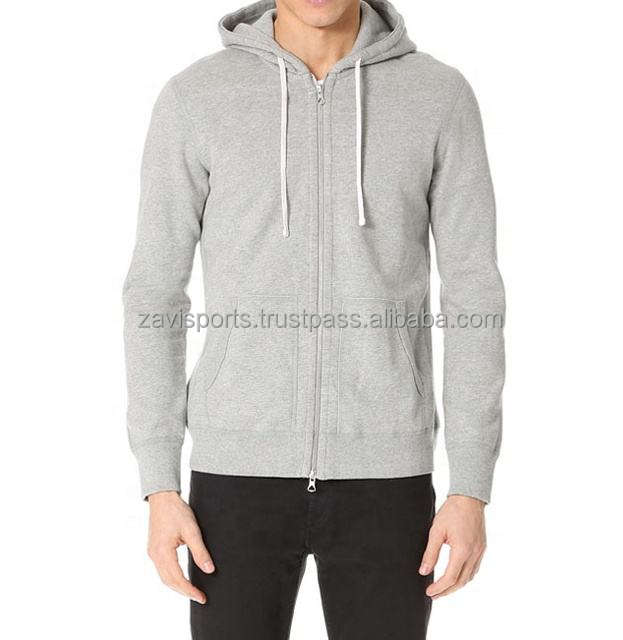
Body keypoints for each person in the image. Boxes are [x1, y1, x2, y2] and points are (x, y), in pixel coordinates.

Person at [123, 0, 505, 637]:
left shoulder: (438, 96)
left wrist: (470, 486)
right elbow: (154, 295)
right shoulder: (196, 98)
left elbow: (474, 295)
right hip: (235, 472)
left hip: (388, 472)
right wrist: (159, 484)